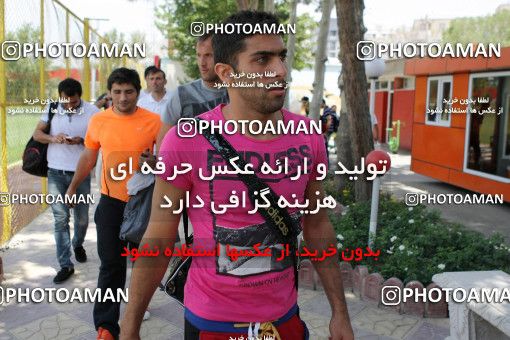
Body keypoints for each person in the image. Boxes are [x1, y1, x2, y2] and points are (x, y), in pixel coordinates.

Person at [120, 10, 354, 340]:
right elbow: (158, 236)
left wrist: (339, 313)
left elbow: (317, 225)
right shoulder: (187, 141)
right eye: (262, 59)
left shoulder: (308, 136)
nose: (280, 71)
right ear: (228, 73)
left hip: (285, 319)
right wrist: (129, 327)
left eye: (282, 57)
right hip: (211, 323)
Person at [65, 68, 162, 340]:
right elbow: (88, 157)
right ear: (109, 93)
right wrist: (73, 187)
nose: (122, 98)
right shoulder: (99, 121)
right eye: (117, 92)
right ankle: (106, 326)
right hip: (111, 203)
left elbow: (167, 162)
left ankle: (137, 308)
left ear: (137, 92)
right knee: (111, 264)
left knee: (144, 263)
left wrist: (154, 162)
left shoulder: (154, 121)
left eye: (128, 92)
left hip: (144, 203)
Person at [32, 78, 99, 284]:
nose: (69, 105)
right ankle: (65, 264)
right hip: (55, 172)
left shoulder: (92, 111)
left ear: (80, 97)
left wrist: (81, 141)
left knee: (80, 218)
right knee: (60, 219)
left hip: (81, 172)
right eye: (65, 101)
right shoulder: (52, 107)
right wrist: (53, 138)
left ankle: (77, 243)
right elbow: (37, 134)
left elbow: (97, 140)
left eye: (73, 102)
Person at [157, 32, 229, 146]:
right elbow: (163, 141)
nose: (202, 63)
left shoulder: (239, 93)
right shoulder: (181, 95)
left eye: (208, 55)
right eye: (198, 55)